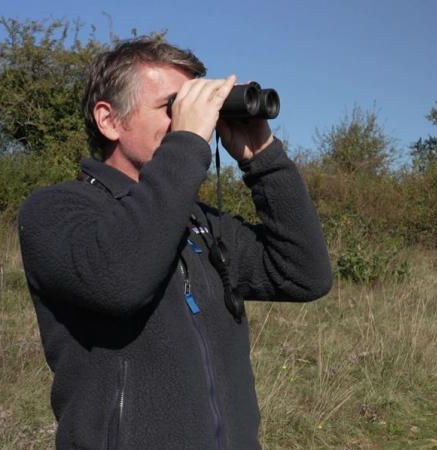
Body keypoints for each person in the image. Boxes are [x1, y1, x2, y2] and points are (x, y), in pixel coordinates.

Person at [18, 36, 332, 450]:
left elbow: (303, 275)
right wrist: (186, 144)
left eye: (194, 106)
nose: (189, 120)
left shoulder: (198, 222)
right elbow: (119, 280)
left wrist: (263, 157)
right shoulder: (56, 211)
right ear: (109, 120)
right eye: (172, 107)